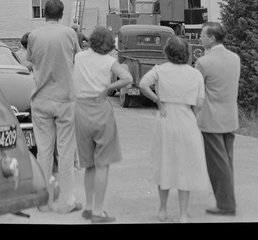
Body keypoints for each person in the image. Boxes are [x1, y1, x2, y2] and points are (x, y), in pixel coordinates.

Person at [139, 35, 210, 223]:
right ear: (186, 53)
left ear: (168, 52)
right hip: (186, 118)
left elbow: (143, 84)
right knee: (184, 165)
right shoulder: (195, 74)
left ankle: (162, 210)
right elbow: (200, 102)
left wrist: (157, 100)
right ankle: (183, 213)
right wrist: (190, 113)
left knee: (164, 161)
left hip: (166, 117)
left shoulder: (160, 70)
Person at [27, 0, 82, 214]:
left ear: (44, 13)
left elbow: (31, 60)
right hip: (64, 98)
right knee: (66, 152)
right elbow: (77, 55)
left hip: (41, 98)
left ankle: (44, 200)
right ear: (61, 14)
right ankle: (67, 201)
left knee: (44, 151)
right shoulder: (69, 34)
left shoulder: (33, 35)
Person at [72, 26, 131, 223]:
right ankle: (98, 211)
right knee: (103, 163)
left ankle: (88, 207)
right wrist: (108, 88)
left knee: (88, 164)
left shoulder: (79, 58)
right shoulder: (109, 61)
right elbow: (128, 79)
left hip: (80, 108)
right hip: (100, 108)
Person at [194, 21, 241, 216]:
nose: (200, 38)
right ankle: (228, 201)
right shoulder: (234, 58)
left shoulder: (203, 63)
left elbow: (196, 88)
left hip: (211, 119)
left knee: (217, 164)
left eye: (202, 35)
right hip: (229, 117)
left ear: (212, 39)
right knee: (227, 161)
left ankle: (225, 205)